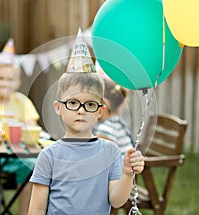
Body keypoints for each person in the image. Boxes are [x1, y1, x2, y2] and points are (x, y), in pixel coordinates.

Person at [28, 29, 144, 215]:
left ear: (100, 111)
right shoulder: (48, 156)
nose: (81, 110)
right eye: (73, 102)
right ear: (58, 107)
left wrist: (127, 174)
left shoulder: (110, 151)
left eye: (89, 104)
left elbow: (116, 200)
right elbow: (37, 208)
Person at [0, 39, 40, 215]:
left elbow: (32, 127)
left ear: (18, 83)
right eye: (1, 78)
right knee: (34, 167)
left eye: (10, 80)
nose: (5, 83)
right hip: (0, 157)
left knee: (36, 167)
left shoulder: (23, 102)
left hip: (24, 151)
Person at [94, 77, 135, 155]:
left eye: (90, 103)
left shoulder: (105, 130)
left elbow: (100, 162)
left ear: (103, 104)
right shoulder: (117, 122)